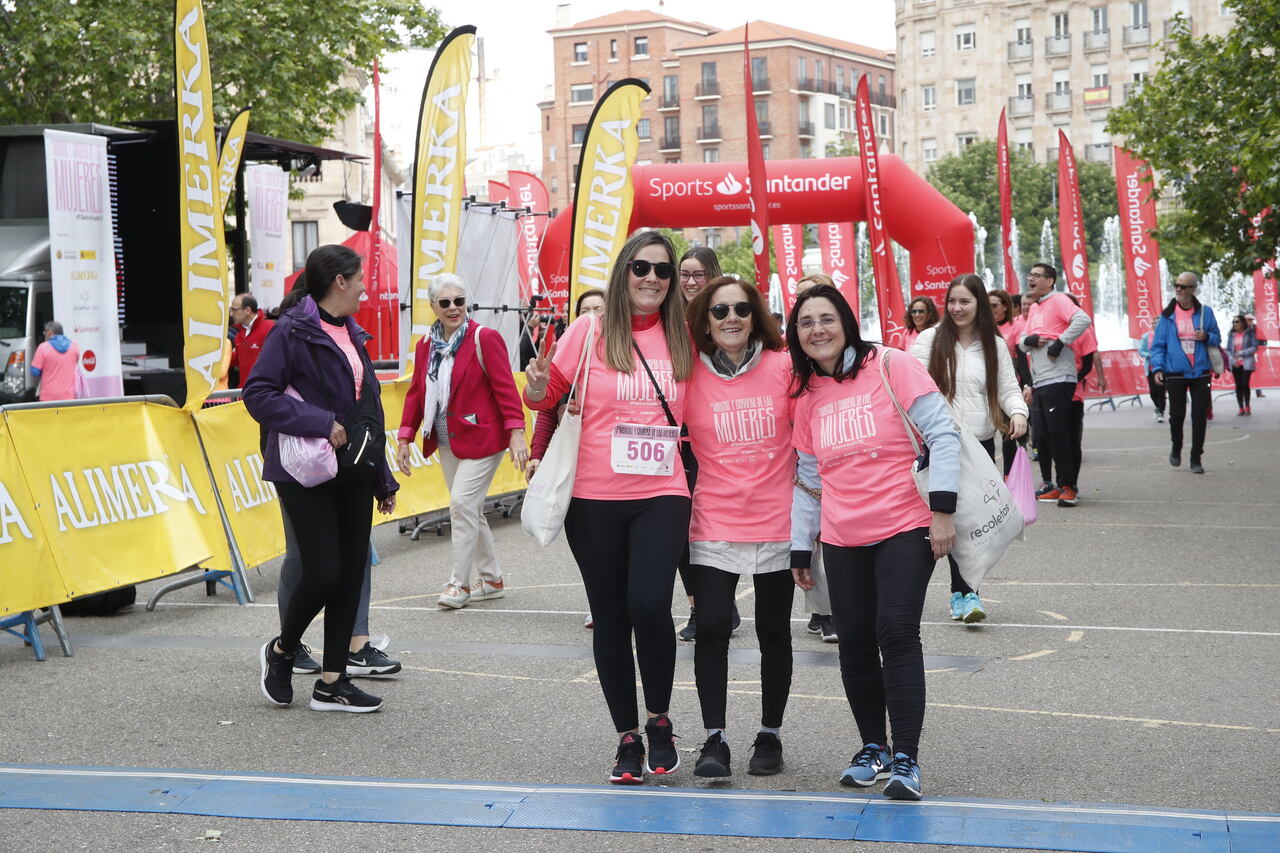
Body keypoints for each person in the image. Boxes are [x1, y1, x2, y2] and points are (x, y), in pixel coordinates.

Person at [524, 231, 693, 784]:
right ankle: (627, 737)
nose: (652, 278)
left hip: (662, 493)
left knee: (649, 603)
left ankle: (660, 719)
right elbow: (545, 398)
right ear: (624, 272)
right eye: (641, 267)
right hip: (594, 498)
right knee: (611, 617)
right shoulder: (589, 330)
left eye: (663, 270)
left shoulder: (684, 335)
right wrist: (537, 385)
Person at [789, 284, 959, 801]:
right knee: (854, 640)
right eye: (805, 322)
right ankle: (873, 748)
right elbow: (808, 476)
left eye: (826, 318)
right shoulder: (807, 395)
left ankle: (906, 757)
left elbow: (943, 434)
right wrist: (801, 546)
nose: (817, 329)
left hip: (905, 524)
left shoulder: (891, 365)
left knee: (897, 631)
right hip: (843, 534)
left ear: (846, 322)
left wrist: (942, 512)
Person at [244, 244, 399, 713]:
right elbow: (258, 394)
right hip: (305, 470)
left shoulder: (352, 333)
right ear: (339, 281)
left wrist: (382, 477)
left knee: (350, 572)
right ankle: (282, 649)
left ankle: (333, 683)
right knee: (324, 570)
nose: (364, 288)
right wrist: (319, 422)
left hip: (353, 469)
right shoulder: (292, 330)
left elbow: (368, 413)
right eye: (359, 279)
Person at [683, 275, 795, 778]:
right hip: (715, 517)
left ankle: (770, 735)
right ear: (705, 321)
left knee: (773, 632)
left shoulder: (785, 366)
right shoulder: (688, 372)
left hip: (777, 519)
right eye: (720, 310)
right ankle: (715, 739)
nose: (731, 318)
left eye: (742, 309)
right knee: (711, 627)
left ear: (756, 318)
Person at [397, 273, 529, 609]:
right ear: (433, 306)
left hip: (484, 438)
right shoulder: (425, 345)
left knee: (460, 505)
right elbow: (416, 393)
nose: (454, 308)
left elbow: (506, 389)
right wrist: (405, 437)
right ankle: (492, 578)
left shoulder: (485, 338)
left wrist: (516, 432)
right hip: (447, 440)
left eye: (459, 301)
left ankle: (459, 584)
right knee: (469, 508)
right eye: (445, 302)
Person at [911, 275, 1027, 624]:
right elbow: (909, 387)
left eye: (965, 301)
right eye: (952, 301)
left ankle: (965, 592)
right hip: (939, 444)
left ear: (979, 305)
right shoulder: (928, 340)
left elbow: (1008, 389)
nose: (957, 308)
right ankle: (940, 593)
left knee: (972, 521)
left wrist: (1018, 413)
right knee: (942, 519)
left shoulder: (994, 344)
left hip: (980, 445)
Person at [527, 288, 605, 630]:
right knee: (593, 546)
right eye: (585, 310)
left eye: (599, 309)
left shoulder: (623, 352)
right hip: (574, 464)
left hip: (616, 469)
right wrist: (536, 455)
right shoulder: (568, 356)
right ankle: (599, 602)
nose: (592, 316)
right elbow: (545, 410)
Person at [674, 245, 724, 641]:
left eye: (698, 274)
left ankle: (719, 604)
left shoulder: (725, 316)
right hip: (672, 439)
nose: (690, 282)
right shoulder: (667, 318)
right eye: (685, 274)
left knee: (708, 526)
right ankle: (698, 607)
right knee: (679, 530)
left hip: (715, 438)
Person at [1018, 263, 1092, 507]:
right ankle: (1056, 486)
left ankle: (1069, 487)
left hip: (1060, 378)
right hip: (1040, 380)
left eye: (1037, 275)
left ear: (1050, 281)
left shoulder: (1058, 300)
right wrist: (1030, 340)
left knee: (1059, 434)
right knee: (1044, 437)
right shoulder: (1035, 307)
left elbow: (1082, 319)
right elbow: (1021, 343)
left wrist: (1060, 342)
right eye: (1030, 275)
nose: (1031, 279)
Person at [793, 272, 838, 643]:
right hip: (806, 454)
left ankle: (832, 609)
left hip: (847, 464)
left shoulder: (871, 360)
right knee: (813, 532)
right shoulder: (791, 357)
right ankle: (822, 609)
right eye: (800, 302)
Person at [1150, 272, 1220, 474]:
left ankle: (1196, 456)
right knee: (1177, 415)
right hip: (1175, 372)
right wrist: (1158, 368)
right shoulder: (1167, 316)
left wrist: (1206, 336)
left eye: (1184, 286)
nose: (1179, 289)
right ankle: (1176, 445)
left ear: (1193, 289)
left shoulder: (1205, 312)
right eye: (1177, 285)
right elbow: (1158, 346)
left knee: (1199, 416)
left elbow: (1217, 338)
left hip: (1200, 372)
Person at [989, 289, 1032, 476]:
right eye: (987, 305)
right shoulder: (982, 328)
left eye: (994, 305)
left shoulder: (1014, 327)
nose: (990, 309)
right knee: (985, 436)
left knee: (1008, 434)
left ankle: (1009, 478)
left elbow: (1021, 360)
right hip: (985, 388)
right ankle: (988, 480)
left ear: (1005, 307)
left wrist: (1027, 385)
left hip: (1007, 387)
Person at [229, 293, 274, 387]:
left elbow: (276, 361)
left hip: (263, 390)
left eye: (234, 310)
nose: (231, 314)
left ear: (247, 310)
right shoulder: (239, 334)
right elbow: (239, 361)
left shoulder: (268, 328)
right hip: (245, 390)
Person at [29, 321, 80, 402]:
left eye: (45, 332)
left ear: (50, 333)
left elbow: (35, 371)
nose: (44, 335)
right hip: (69, 396)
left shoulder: (42, 348)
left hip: (47, 397)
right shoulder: (74, 346)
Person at [1225, 314, 1258, 416]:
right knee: (1238, 386)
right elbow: (1228, 350)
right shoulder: (1231, 335)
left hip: (1246, 363)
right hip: (1235, 363)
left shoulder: (1250, 333)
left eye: (1237, 322)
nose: (1235, 324)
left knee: (1244, 384)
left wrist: (1241, 353)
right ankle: (1240, 408)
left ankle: (1247, 406)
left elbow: (1254, 347)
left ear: (1243, 323)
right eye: (1233, 322)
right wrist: (1232, 360)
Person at [1138, 327, 1166, 422]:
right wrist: (1148, 355)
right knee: (1153, 393)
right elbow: (1141, 351)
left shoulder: (1166, 334)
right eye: (1154, 323)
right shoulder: (1147, 336)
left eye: (1158, 323)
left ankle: (1161, 412)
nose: (1156, 325)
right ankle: (1158, 408)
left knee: (1161, 391)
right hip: (1150, 369)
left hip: (1163, 368)